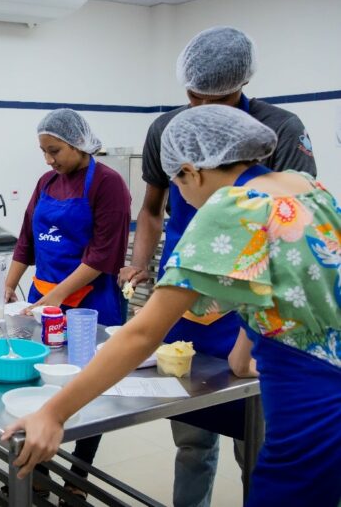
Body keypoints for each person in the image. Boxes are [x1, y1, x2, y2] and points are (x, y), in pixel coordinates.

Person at [3, 105, 341, 507]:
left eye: (176, 186)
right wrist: (242, 354)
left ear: (190, 171)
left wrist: (53, 413)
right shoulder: (303, 186)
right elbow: (287, 282)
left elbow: (144, 333)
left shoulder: (233, 206)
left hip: (311, 401)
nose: (180, 200)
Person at [118, 26, 317, 506]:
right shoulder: (167, 130)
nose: (204, 109)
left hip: (256, 300)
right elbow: (151, 209)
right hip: (185, 297)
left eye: (220, 99)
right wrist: (140, 264)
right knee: (192, 439)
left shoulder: (281, 129)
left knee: (259, 444)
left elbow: (286, 234)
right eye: (194, 98)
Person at [5, 109, 131, 503]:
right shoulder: (47, 182)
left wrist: (56, 297)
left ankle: (79, 474)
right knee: (42, 381)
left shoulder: (108, 184)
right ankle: (36, 468)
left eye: (54, 150)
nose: (49, 160)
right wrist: (9, 285)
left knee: (89, 387)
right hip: (43, 298)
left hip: (90, 302)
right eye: (43, 151)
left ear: (78, 143)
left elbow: (103, 254)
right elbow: (26, 238)